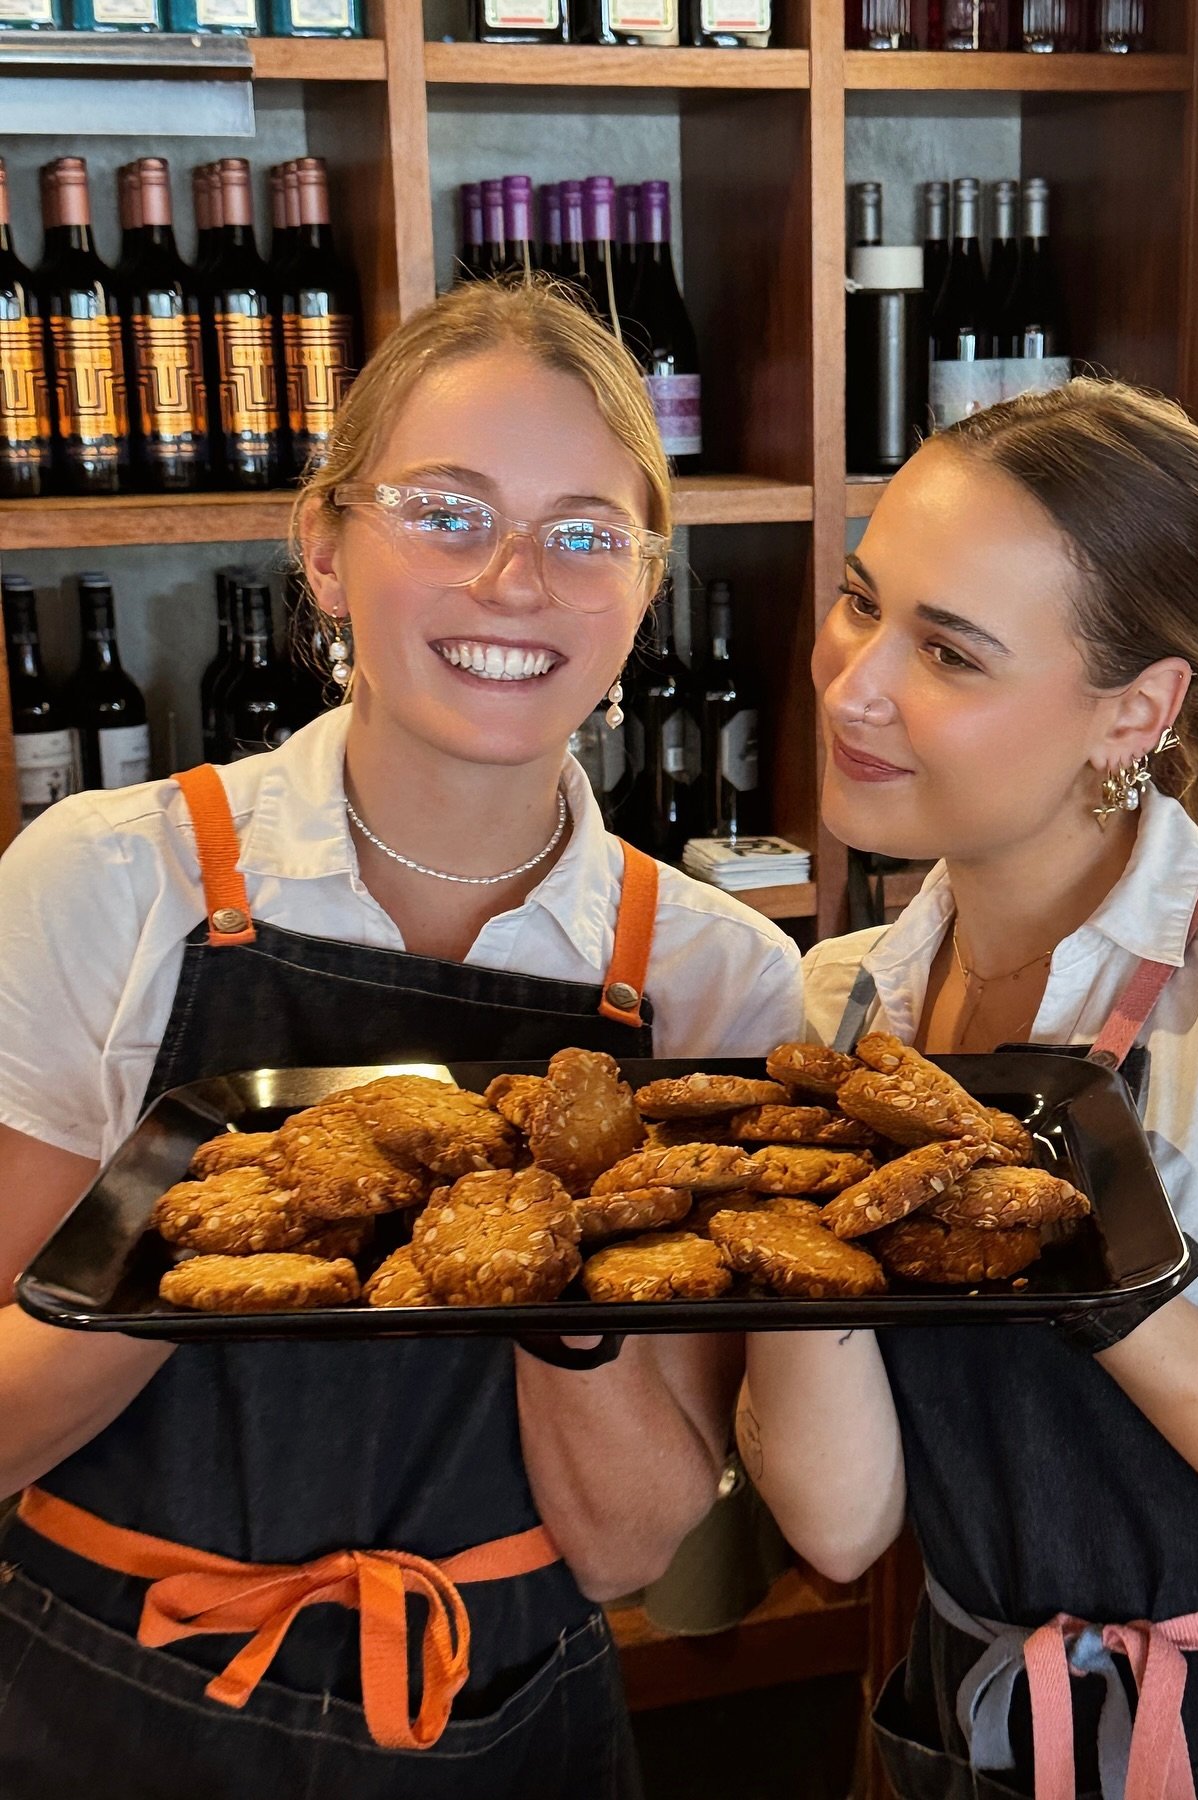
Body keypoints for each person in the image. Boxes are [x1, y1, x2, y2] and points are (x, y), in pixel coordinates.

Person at [0, 278, 802, 1800]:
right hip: (103, 1693)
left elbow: (633, 1542)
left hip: (501, 1720)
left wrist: (545, 1254)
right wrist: (187, 1202)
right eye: (446, 512)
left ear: (643, 588)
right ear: (324, 549)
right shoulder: (107, 883)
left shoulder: (713, 987)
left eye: (582, 534)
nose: (514, 581)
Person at [739, 381, 1198, 1798]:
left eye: (949, 650)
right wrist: (798, 1220)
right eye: (863, 604)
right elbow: (840, 1523)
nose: (854, 684)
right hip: (977, 1726)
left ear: (1134, 712)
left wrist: (1100, 1269)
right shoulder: (841, 1005)